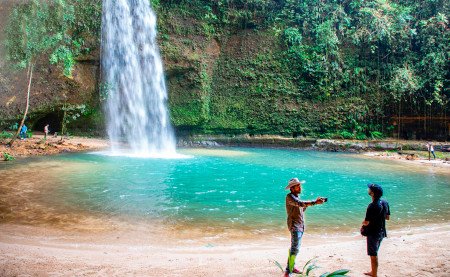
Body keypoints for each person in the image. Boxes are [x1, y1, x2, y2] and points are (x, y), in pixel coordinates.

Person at [284, 178, 326, 276]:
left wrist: (311, 203)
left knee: (295, 247)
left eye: (299, 185)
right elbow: (300, 204)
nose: (300, 187)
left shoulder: (296, 197)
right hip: (295, 226)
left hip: (299, 226)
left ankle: (292, 267)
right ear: (292, 189)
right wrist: (314, 202)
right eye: (297, 186)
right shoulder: (289, 197)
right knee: (295, 248)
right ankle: (288, 271)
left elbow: (301, 208)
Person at [362, 183, 390, 277]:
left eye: (369, 189)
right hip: (382, 232)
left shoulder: (372, 206)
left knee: (373, 255)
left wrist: (362, 225)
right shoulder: (385, 202)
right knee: (375, 252)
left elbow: (366, 222)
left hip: (373, 233)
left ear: (372, 193)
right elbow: (387, 217)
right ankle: (373, 272)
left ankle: (374, 274)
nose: (368, 189)